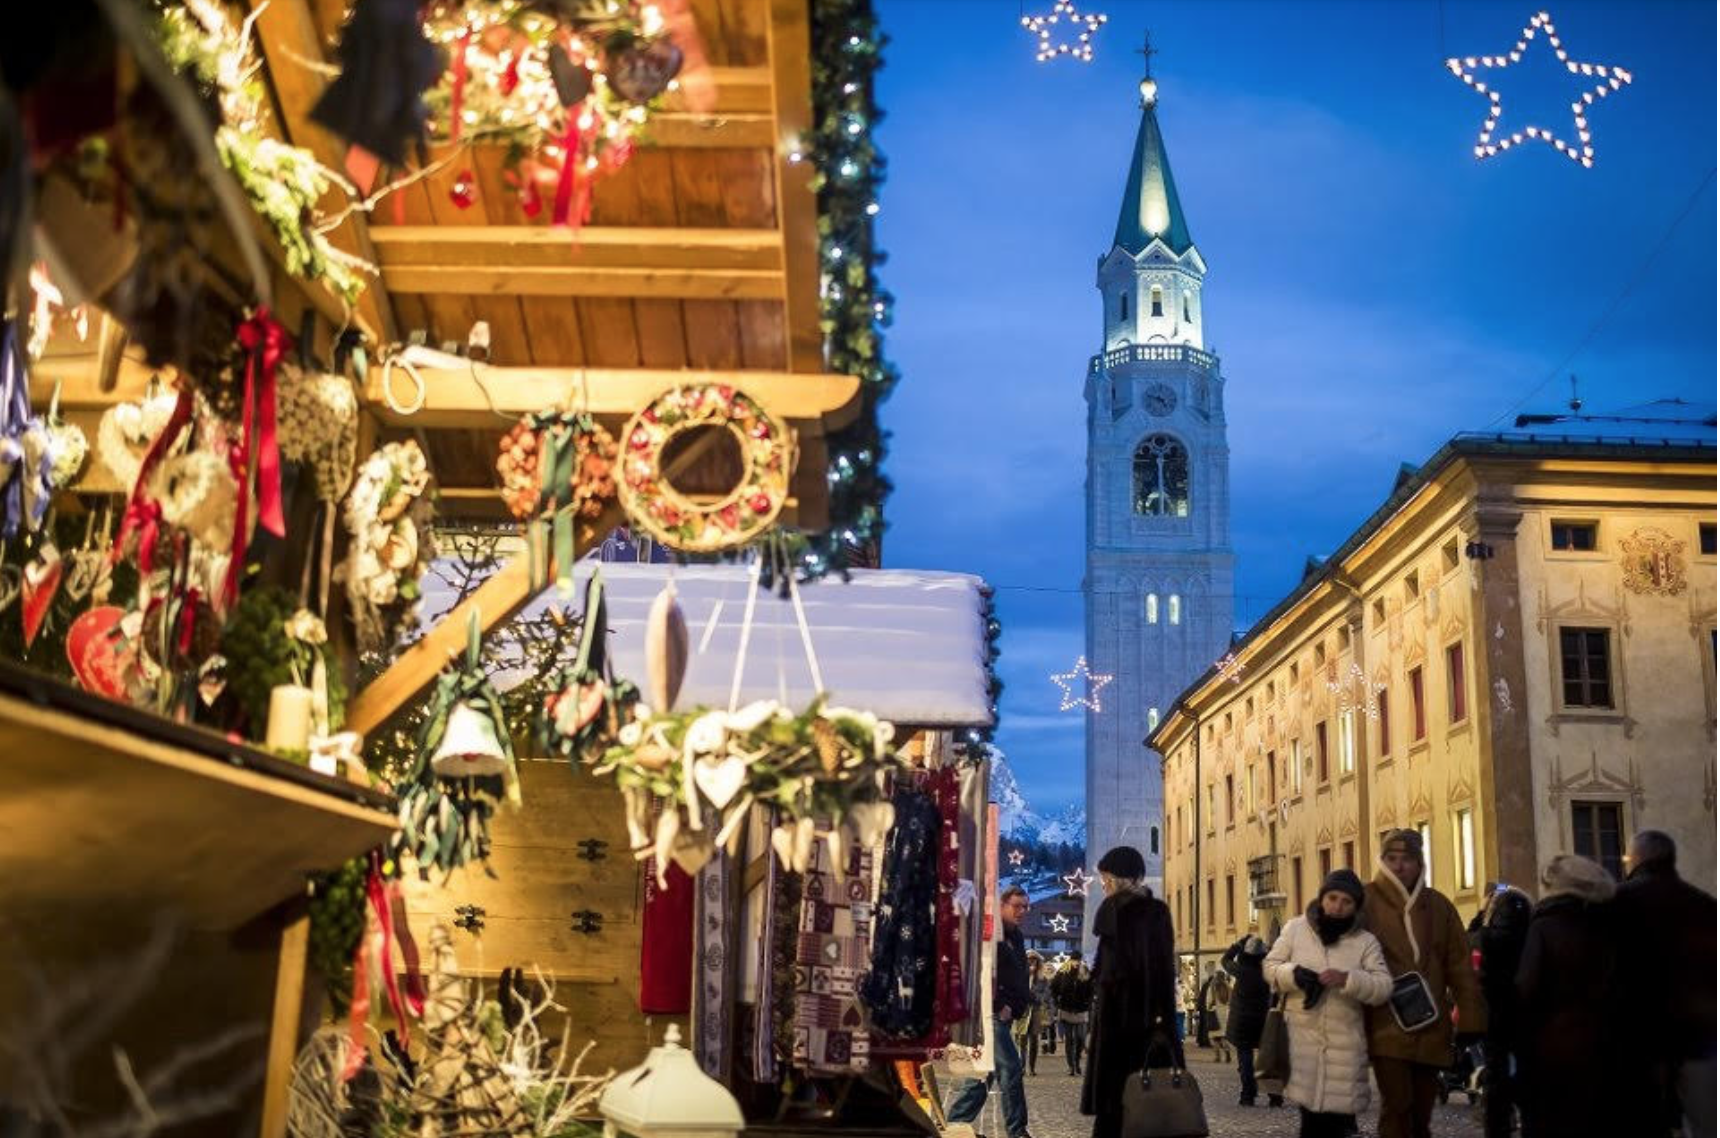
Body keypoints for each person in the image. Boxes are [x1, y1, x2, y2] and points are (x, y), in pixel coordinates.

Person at [1515, 854, 1654, 1138]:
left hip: (1556, 1049)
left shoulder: (1545, 925)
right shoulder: (1618, 925)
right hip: (1612, 1047)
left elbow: (1526, 989)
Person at [1363, 829, 1487, 1138]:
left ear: (1419, 864)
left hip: (1431, 1023)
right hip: (1385, 1022)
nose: (1399, 866)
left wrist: (1470, 1019)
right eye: (1391, 858)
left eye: (1406, 859)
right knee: (1397, 1107)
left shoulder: (1439, 905)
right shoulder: (1365, 901)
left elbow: (1459, 966)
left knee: (1422, 1113)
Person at [1265, 868, 1393, 1138]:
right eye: (1332, 898)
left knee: (1339, 1126)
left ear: (1356, 907)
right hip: (1302, 1047)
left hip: (1344, 1051)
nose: (1337, 907)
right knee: (1310, 1125)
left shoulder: (1365, 942)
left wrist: (1348, 979)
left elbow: (1383, 986)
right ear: (1322, 897)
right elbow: (1270, 966)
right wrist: (1293, 974)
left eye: (1346, 902)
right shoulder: (1296, 929)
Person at [1613, 830, 1717, 1138]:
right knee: (1705, 1122)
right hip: (1698, 1035)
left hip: (1640, 1034)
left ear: (1637, 859)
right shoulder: (1704, 904)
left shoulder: (1619, 902)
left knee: (1644, 1120)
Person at [1079, 846, 1180, 1138]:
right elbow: (1162, 975)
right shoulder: (1156, 912)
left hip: (1122, 1027)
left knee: (1118, 1110)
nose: (1103, 884)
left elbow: (1111, 976)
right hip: (1149, 1022)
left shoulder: (1116, 912)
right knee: (1144, 1111)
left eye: (1106, 878)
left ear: (1120, 879)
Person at [948, 885, 1035, 1138]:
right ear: (1001, 906)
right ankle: (1017, 1131)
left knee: (983, 1074)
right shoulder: (990, 933)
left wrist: (1021, 1003)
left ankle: (955, 1122)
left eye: (1025, 906)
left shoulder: (1015, 935)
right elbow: (981, 974)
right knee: (1011, 1067)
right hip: (990, 1015)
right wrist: (1000, 1006)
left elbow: (1018, 974)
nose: (1022, 911)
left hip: (1005, 1015)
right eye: (1017, 906)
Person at [1471, 883, 1532, 1138]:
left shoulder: (1492, 928)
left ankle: (1499, 1125)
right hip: (1518, 1008)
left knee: (1499, 1072)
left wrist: (1482, 915)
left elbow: (1475, 940)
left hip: (1498, 1008)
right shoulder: (1529, 926)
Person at [1222, 934, 1278, 1107]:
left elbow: (1225, 960)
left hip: (1243, 1021)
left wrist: (1237, 945)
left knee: (1245, 1059)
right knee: (1268, 1059)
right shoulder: (1268, 971)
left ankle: (1248, 1095)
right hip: (1264, 1018)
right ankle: (1274, 1095)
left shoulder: (1241, 970)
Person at [1050, 957, 1094, 1076]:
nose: (1076, 963)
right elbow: (1053, 987)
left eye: (1078, 960)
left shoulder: (1085, 972)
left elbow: (1091, 990)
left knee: (1080, 1038)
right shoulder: (1063, 973)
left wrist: (1088, 1003)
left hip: (1081, 1010)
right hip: (1066, 1010)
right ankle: (1071, 1066)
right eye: (1074, 960)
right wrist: (1057, 1001)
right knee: (1069, 1039)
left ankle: (1077, 1062)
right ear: (1070, 961)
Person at [1024, 952, 1050, 1076]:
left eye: (1034, 960)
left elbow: (1046, 994)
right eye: (1029, 959)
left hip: (1036, 1010)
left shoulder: (1042, 979)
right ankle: (1022, 1066)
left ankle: (1032, 1067)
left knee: (1034, 1040)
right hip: (1023, 1010)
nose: (1032, 962)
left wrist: (1035, 997)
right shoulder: (1021, 975)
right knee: (1022, 1040)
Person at [1208, 969, 1233, 1064]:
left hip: (1215, 1015)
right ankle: (1227, 1054)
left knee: (1215, 1038)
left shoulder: (1213, 988)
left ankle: (1217, 1057)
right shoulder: (1229, 987)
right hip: (1226, 1014)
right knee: (1224, 1037)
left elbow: (1209, 1002)